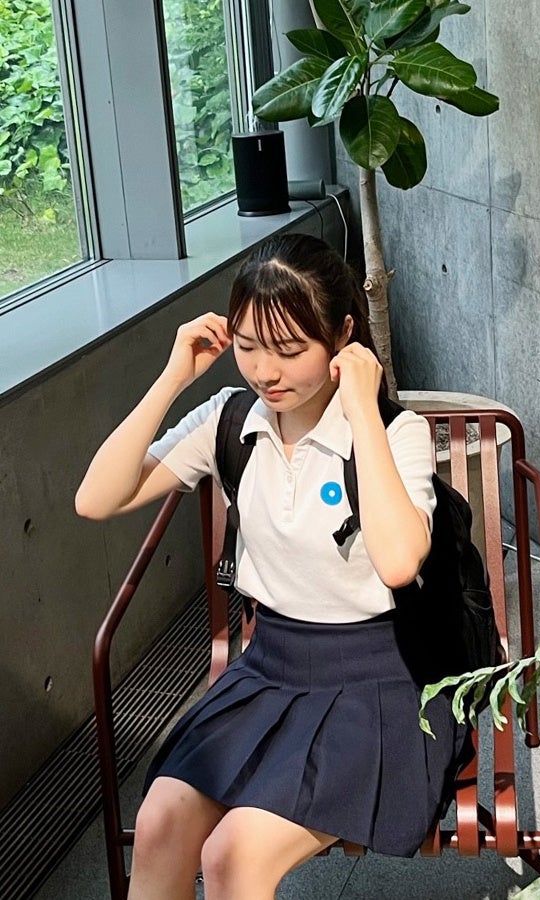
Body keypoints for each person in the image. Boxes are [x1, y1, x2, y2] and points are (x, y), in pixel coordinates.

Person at [76, 233, 467, 900]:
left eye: (290, 349)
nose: (266, 371)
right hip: (268, 671)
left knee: (233, 856)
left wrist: (362, 409)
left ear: (342, 336)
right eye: (250, 346)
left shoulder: (393, 434)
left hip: (377, 684)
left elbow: (400, 562)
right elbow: (96, 499)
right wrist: (173, 378)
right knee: (161, 822)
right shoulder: (230, 422)